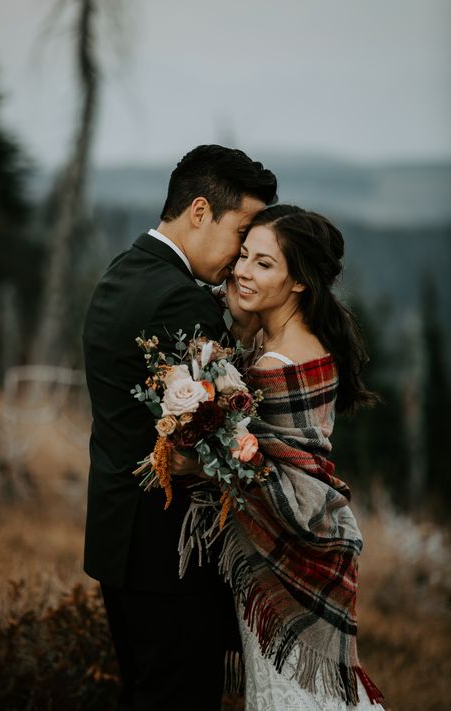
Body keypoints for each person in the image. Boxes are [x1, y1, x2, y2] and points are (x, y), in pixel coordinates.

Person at [82, 144, 277, 711]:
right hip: (170, 556)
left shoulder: (122, 270)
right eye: (240, 232)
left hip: (118, 540)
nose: (242, 255)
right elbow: (210, 433)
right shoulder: (179, 301)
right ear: (199, 211)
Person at [223, 204, 385, 710]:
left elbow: (256, 464)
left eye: (264, 263)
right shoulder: (299, 337)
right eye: (244, 255)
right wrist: (245, 323)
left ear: (299, 282)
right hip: (321, 537)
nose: (243, 270)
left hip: (286, 551)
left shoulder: (274, 362)